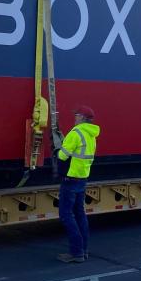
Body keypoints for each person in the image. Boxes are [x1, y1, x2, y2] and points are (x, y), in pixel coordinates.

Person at [53, 105, 100, 263]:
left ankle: (76, 252)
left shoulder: (75, 133)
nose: (75, 117)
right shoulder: (91, 135)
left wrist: (58, 148)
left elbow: (62, 155)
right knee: (80, 214)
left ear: (82, 117)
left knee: (66, 215)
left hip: (70, 179)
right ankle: (83, 250)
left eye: (77, 115)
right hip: (82, 179)